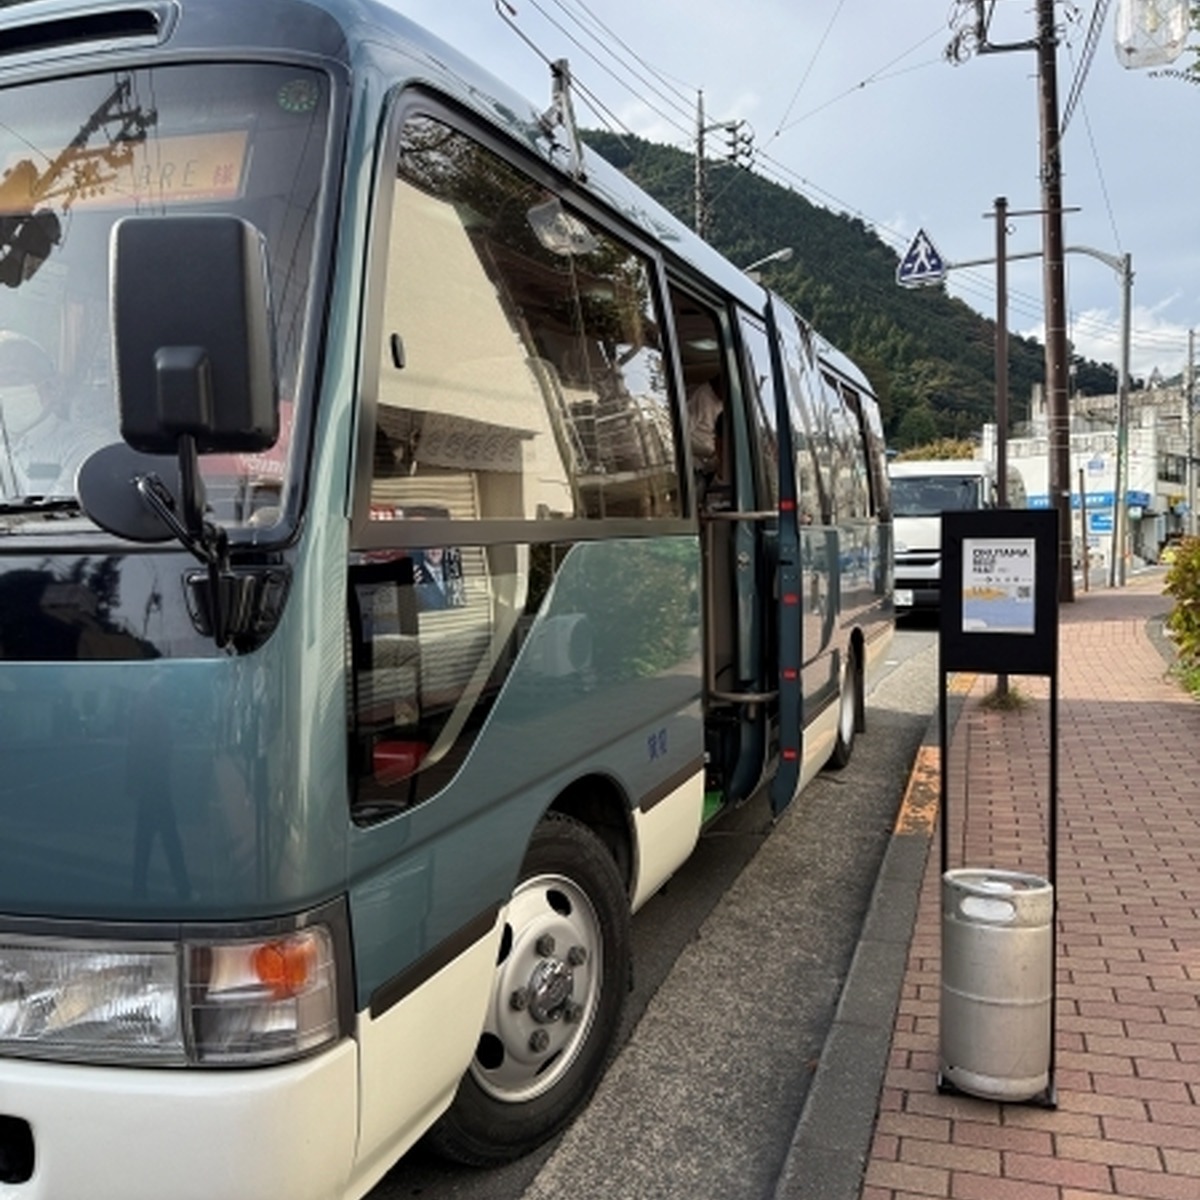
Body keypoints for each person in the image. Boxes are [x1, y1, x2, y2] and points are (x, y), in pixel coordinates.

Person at [0, 330, 96, 499]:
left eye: (14, 377)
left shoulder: (86, 446)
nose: (4, 388)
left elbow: (57, 518)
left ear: (52, 387)